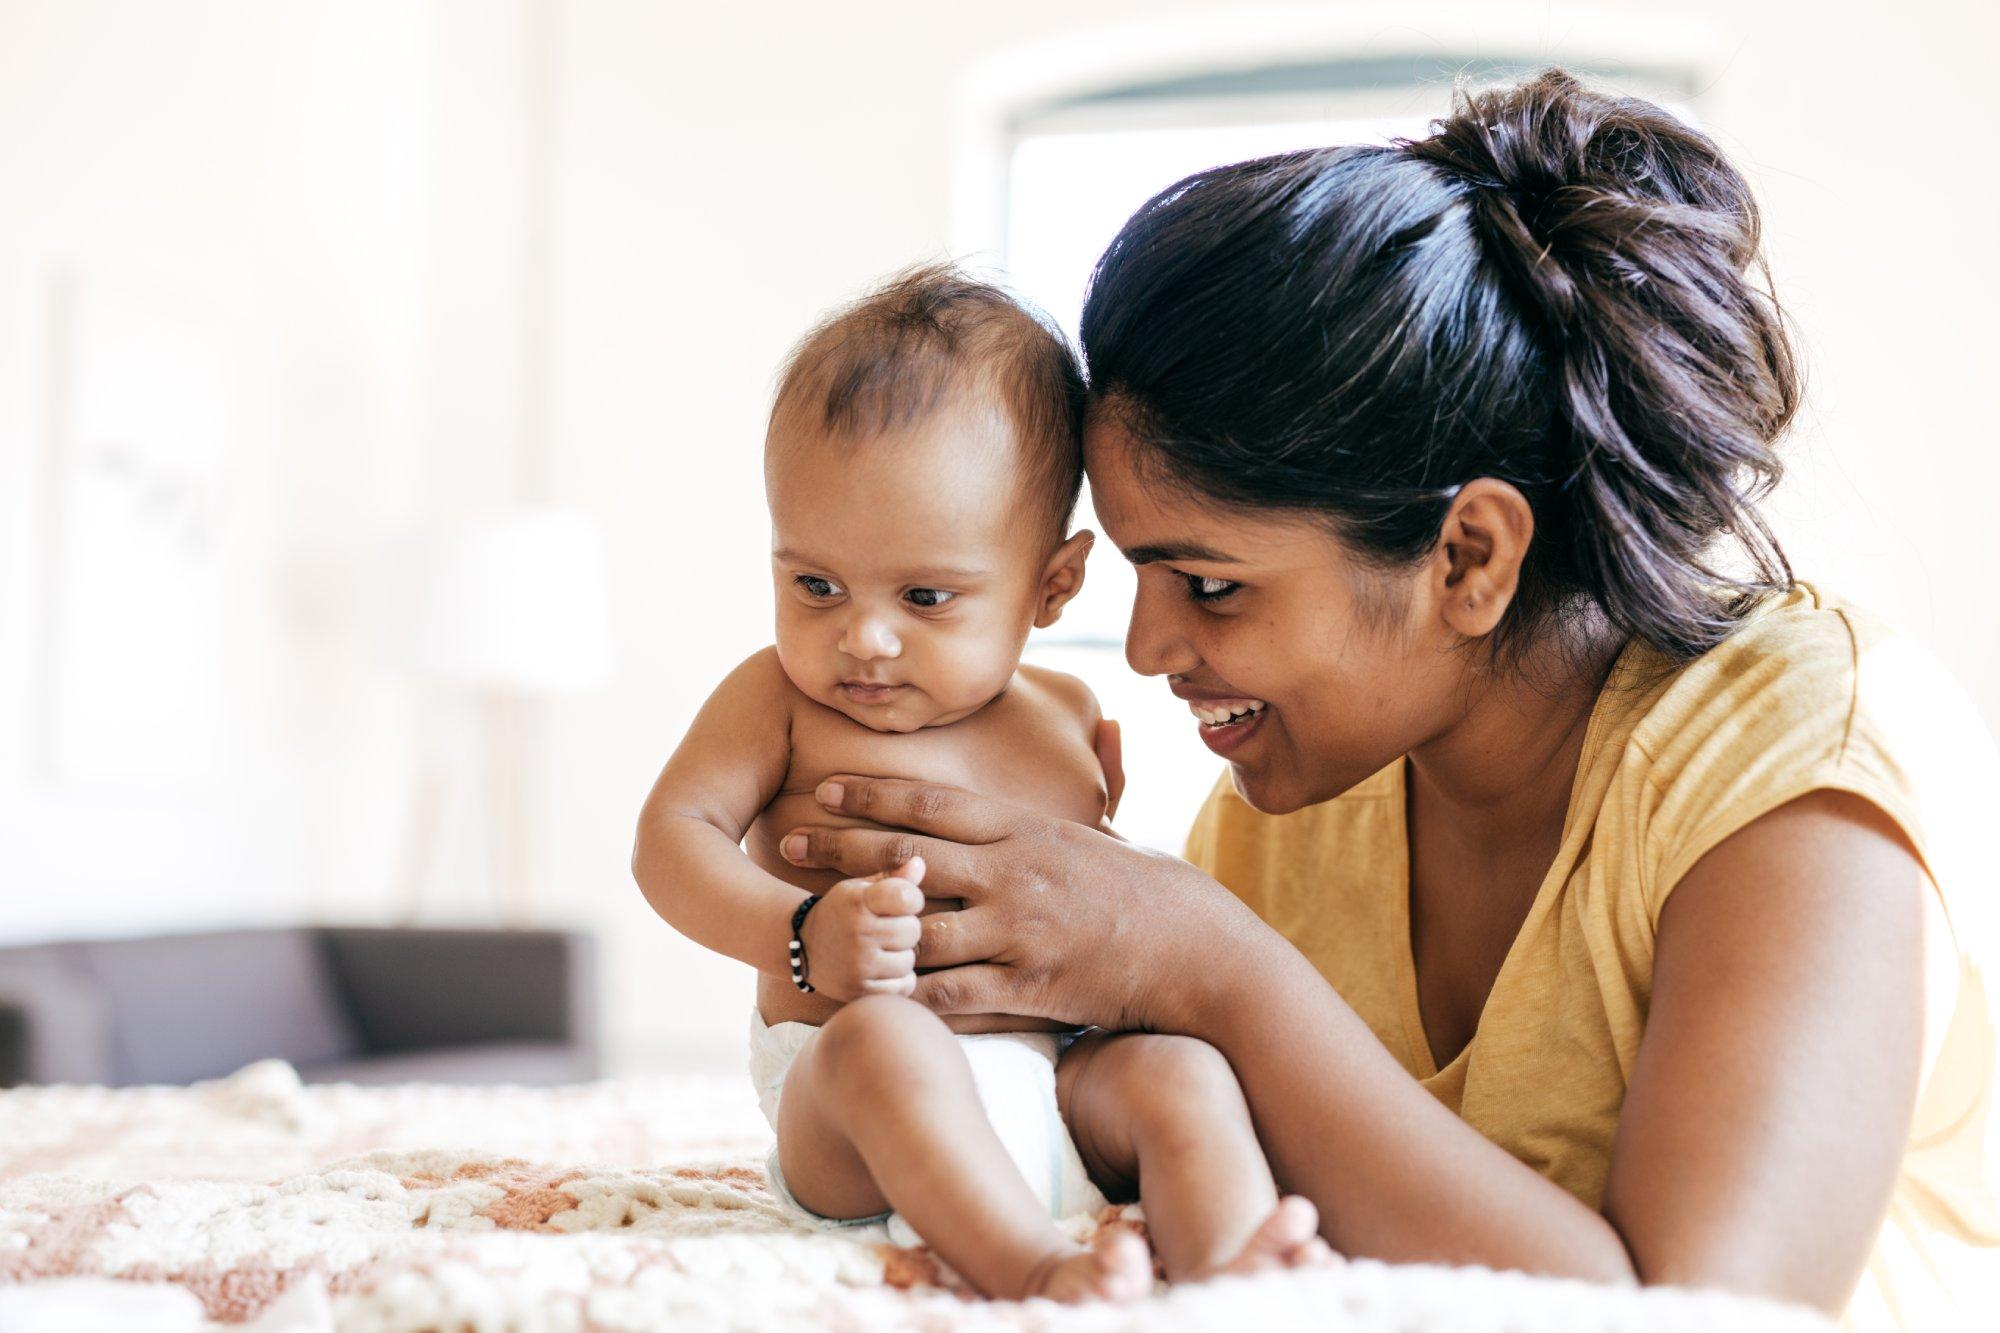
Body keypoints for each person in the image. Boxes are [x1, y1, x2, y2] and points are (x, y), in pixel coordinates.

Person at [774, 70, 2000, 1329]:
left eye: (1208, 582)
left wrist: (1216, 973)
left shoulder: (1795, 758)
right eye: (1141, 574)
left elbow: (1707, 1313)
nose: (1146, 648)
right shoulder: (1286, 810)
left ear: (1467, 556)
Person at [632, 265, 1333, 1303]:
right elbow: (668, 840)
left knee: (1182, 1074)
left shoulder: (1064, 714)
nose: (861, 635)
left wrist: (1112, 839)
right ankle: (1040, 1269)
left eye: (924, 595)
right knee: (887, 1039)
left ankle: (1227, 1266)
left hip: (1054, 1079)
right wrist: (800, 932)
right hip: (850, 1102)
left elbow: (1088, 909)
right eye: (813, 584)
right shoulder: (775, 698)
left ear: (1050, 585)